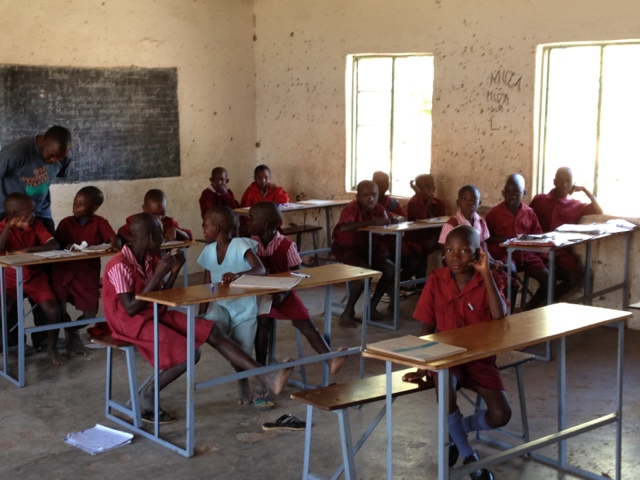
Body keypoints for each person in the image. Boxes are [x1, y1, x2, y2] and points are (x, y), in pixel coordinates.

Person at [102, 213, 292, 423]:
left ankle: (267, 376)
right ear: (150, 237)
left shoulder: (148, 259)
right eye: (160, 236)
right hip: (129, 323)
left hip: (154, 312)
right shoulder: (118, 265)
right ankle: (148, 393)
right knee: (190, 353)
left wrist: (174, 271)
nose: (164, 240)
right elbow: (130, 308)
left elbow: (160, 295)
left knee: (212, 329)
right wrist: (157, 276)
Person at [403, 226, 510, 480]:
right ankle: (470, 458)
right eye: (449, 250)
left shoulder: (490, 279)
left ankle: (455, 431)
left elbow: (499, 315)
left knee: (501, 414)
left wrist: (486, 274)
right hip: (446, 356)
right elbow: (427, 325)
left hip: (479, 357)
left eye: (463, 251)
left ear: (477, 253)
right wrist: (421, 363)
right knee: (445, 389)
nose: (455, 257)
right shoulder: (436, 279)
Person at [248, 202, 346, 379]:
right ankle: (261, 371)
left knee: (305, 322)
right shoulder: (250, 243)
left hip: (284, 292)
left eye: (252, 219)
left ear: (265, 224)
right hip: (260, 292)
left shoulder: (287, 246)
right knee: (263, 322)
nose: (249, 223)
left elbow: (297, 275)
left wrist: (283, 294)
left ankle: (330, 359)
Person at [197, 206, 265, 404]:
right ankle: (249, 378)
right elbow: (206, 288)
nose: (203, 228)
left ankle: (244, 382)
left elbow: (260, 269)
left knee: (243, 352)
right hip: (222, 307)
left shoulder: (239, 244)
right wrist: (200, 315)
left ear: (217, 228)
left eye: (205, 225)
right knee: (209, 324)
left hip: (244, 309)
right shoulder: (208, 251)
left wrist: (238, 275)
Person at [52, 186, 121, 356]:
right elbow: (54, 244)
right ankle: (72, 335)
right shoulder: (66, 223)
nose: (75, 206)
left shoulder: (99, 223)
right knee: (59, 308)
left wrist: (114, 243)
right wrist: (63, 246)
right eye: (75, 202)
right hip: (63, 272)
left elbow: (113, 239)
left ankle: (73, 330)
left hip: (86, 274)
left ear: (94, 207)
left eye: (81, 204)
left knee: (90, 313)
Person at [0, 193, 66, 365]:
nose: (33, 215)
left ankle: (50, 346)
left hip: (35, 277)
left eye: (33, 211)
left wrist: (28, 250)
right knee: (4, 308)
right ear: (13, 215)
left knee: (53, 311)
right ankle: (7, 345)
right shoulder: (2, 227)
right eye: (28, 212)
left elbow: (54, 244)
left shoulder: (36, 224)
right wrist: (8, 227)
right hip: (9, 278)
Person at [331, 180, 398, 327]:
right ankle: (347, 312)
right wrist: (373, 222)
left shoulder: (378, 208)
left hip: (368, 247)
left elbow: (392, 218)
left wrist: (394, 220)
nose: (371, 199)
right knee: (364, 273)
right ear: (358, 197)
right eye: (366, 195)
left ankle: (372, 307)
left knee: (390, 268)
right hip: (347, 248)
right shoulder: (351, 208)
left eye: (374, 195)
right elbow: (344, 227)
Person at [529, 167, 603, 299]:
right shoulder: (540, 200)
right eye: (560, 180)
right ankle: (532, 308)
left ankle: (540, 305)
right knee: (548, 278)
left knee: (575, 278)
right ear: (554, 182)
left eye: (568, 181)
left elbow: (599, 211)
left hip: (561, 251)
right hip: (539, 249)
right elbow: (526, 215)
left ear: (573, 184)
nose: (564, 184)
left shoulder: (576, 205)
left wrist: (585, 190)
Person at [485, 174, 549, 310]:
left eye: (517, 193)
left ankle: (526, 310)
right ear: (503, 193)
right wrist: (498, 238)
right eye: (508, 193)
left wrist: (545, 258)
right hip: (504, 254)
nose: (512, 197)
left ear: (524, 193)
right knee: (510, 274)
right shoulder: (494, 213)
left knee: (548, 279)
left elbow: (539, 237)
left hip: (526, 255)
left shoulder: (529, 213)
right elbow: (484, 237)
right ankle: (509, 314)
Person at [0, 125, 72, 235]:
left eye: (59, 158)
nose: (54, 160)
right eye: (52, 155)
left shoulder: (64, 155)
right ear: (43, 140)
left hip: (40, 211)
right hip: (10, 212)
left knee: (51, 243)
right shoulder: (15, 153)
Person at [404, 174, 446, 279]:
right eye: (422, 189)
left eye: (429, 188)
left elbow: (439, 222)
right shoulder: (413, 203)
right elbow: (421, 217)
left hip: (431, 239)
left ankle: (421, 283)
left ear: (433, 189)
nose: (426, 191)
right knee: (420, 259)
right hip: (414, 240)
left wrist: (428, 206)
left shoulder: (438, 203)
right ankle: (419, 283)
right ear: (417, 190)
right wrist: (420, 198)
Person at [118, 189, 192, 244]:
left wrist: (175, 230)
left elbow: (189, 237)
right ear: (144, 208)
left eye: (162, 213)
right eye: (153, 214)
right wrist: (141, 241)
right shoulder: (135, 221)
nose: (158, 218)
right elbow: (121, 236)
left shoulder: (169, 223)